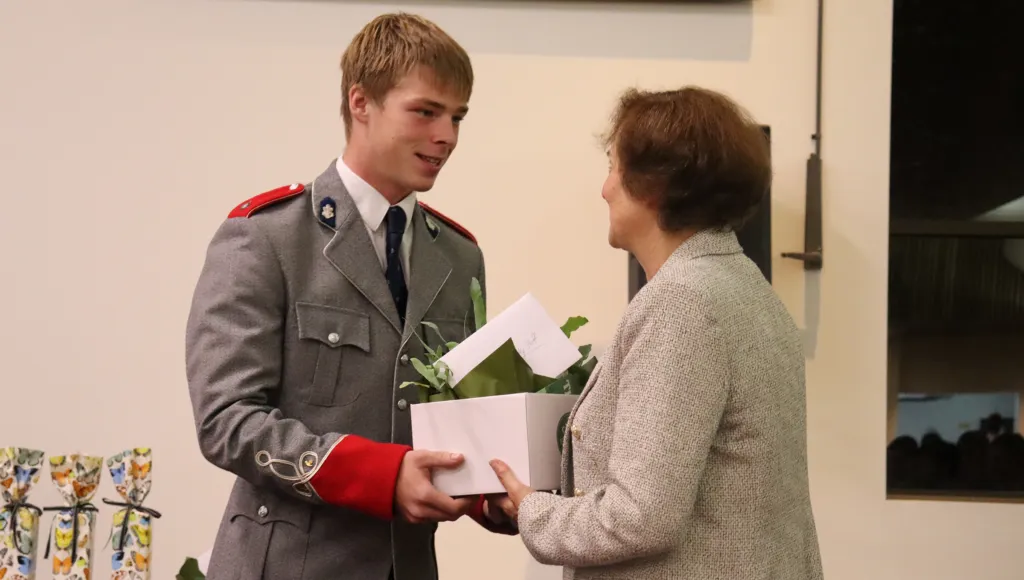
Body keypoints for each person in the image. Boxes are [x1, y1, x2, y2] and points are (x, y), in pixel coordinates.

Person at [185, 13, 512, 580]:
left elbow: (461, 419)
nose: (448, 136)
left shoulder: (462, 258)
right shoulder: (267, 236)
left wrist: (495, 491)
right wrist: (382, 476)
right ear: (361, 102)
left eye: (457, 116)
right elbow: (226, 420)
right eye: (426, 111)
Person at [487, 86, 825, 579]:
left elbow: (640, 517)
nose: (605, 188)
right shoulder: (748, 289)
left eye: (612, 166)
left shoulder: (682, 302)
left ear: (654, 185)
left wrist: (533, 511)